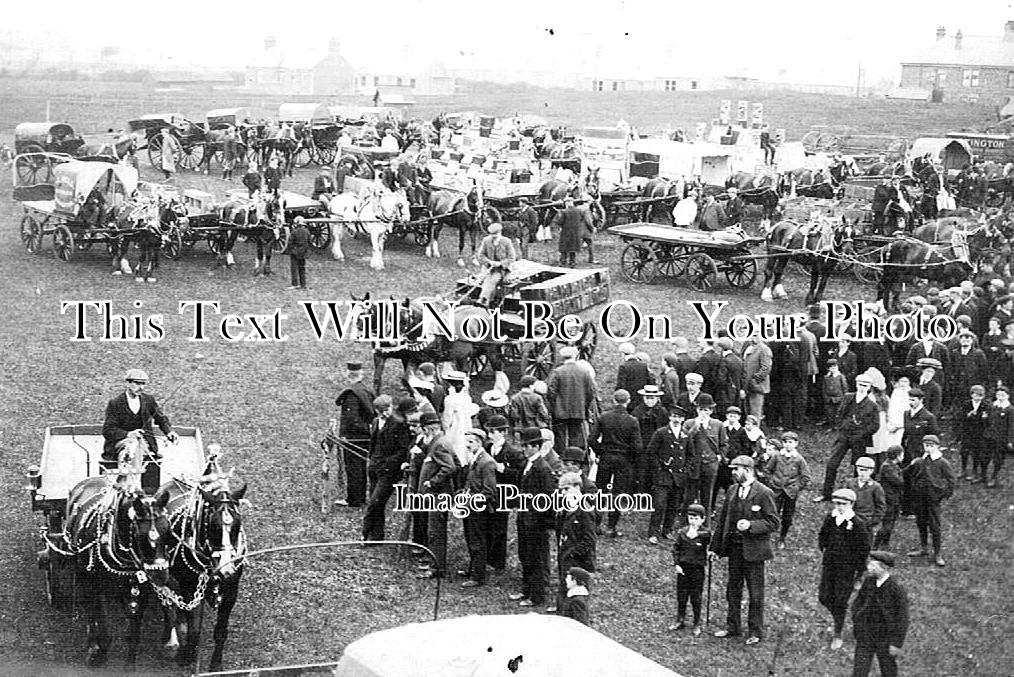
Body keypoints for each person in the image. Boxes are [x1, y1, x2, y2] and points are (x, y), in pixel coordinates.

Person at [710, 455, 780, 645]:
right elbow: (723, 520)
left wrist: (751, 524)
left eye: (736, 469)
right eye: (732, 469)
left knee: (755, 593)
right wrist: (714, 548)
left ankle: (755, 631)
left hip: (755, 551)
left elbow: (773, 522)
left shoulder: (764, 493)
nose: (733, 473)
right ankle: (733, 627)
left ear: (748, 470)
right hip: (734, 549)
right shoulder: (732, 490)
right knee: (733, 589)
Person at [818, 488, 872, 650]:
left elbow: (864, 549)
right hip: (829, 566)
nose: (839, 506)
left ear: (851, 504)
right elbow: (823, 534)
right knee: (824, 597)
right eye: (836, 503)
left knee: (840, 601)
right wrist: (824, 547)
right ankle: (837, 617)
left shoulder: (857, 523)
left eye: (843, 504)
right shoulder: (831, 518)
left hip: (846, 570)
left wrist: (859, 574)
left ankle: (838, 633)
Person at [510, 427, 556, 607]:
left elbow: (548, 497)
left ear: (536, 446)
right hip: (525, 519)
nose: (524, 449)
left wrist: (542, 521)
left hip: (536, 523)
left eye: (527, 446)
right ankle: (526, 589)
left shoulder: (542, 468)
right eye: (523, 445)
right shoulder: (529, 464)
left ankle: (537, 596)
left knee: (537, 558)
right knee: (526, 555)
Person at [587, 389, 642, 538]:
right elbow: (637, 447)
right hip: (623, 460)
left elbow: (591, 439)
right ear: (628, 401)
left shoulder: (604, 417)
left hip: (605, 458)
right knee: (618, 493)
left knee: (600, 491)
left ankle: (596, 524)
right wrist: (628, 456)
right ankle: (611, 527)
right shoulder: (632, 421)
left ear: (613, 401)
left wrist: (600, 451)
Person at [817, 373, 880, 503]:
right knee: (832, 464)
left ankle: (856, 497)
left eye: (865, 385)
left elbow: (875, 425)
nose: (862, 387)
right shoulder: (848, 397)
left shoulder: (872, 405)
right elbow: (839, 413)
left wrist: (861, 433)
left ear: (869, 387)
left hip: (859, 439)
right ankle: (826, 493)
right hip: (844, 436)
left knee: (859, 467)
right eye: (860, 384)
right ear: (856, 384)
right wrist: (842, 426)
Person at [102, 369, 179, 473]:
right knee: (135, 444)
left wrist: (169, 432)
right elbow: (108, 430)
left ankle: (134, 481)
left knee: (138, 444)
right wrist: (129, 434)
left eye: (143, 384)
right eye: (138, 383)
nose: (141, 387)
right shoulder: (115, 403)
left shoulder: (148, 400)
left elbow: (161, 419)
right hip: (121, 443)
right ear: (128, 383)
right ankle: (133, 483)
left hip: (145, 443)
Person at [362, 396, 414, 541]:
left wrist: (387, 464)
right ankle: (376, 536)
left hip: (389, 472)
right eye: (381, 412)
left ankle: (365, 533)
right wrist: (371, 461)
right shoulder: (375, 421)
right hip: (374, 468)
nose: (385, 414)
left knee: (375, 502)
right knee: (376, 503)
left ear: (391, 407)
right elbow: (373, 444)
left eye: (387, 410)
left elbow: (403, 450)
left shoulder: (399, 424)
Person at [850, 551, 909, 677]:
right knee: (859, 672)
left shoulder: (896, 588)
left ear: (883, 567)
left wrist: (896, 643)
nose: (868, 567)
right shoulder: (868, 582)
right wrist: (857, 619)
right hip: (865, 637)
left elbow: (903, 617)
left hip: (885, 639)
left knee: (888, 671)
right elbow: (857, 603)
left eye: (872, 565)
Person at [416, 411, 459, 579]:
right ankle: (433, 561)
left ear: (428, 429)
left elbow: (450, 467)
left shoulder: (439, 444)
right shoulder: (436, 442)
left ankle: (437, 568)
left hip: (439, 496)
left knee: (436, 532)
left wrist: (432, 481)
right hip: (435, 496)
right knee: (433, 530)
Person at [904, 434, 955, 567]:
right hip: (920, 496)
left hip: (933, 498)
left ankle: (937, 553)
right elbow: (909, 473)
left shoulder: (942, 462)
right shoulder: (920, 460)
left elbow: (951, 480)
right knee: (921, 521)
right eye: (926, 445)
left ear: (937, 447)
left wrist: (943, 494)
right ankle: (923, 547)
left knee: (934, 525)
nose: (928, 448)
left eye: (931, 446)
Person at [645, 405, 691, 543]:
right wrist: (659, 468)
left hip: (679, 477)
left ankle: (667, 530)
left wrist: (686, 469)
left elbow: (691, 455)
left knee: (674, 505)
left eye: (679, 417)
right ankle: (653, 532)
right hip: (663, 476)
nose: (676, 419)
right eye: (674, 416)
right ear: (670, 417)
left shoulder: (685, 435)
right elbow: (651, 453)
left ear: (683, 419)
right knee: (659, 505)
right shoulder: (661, 432)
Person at [334, 362, 377, 508]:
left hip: (355, 437)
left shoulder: (351, 394)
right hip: (366, 435)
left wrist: (345, 435)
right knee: (361, 466)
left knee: (353, 467)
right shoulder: (366, 390)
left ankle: (354, 499)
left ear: (348, 374)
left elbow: (351, 420)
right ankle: (360, 497)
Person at [555, 472, 597, 611]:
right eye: (561, 490)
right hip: (566, 557)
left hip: (578, 561)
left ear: (577, 487)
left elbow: (589, 539)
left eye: (566, 489)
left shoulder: (584, 509)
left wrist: (572, 554)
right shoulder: (568, 506)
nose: (563, 493)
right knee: (564, 593)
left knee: (576, 600)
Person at [461, 428, 497, 588]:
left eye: (471, 442)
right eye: (466, 441)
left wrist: (471, 501)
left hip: (478, 509)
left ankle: (478, 576)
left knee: (477, 541)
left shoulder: (486, 462)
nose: (467, 445)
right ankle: (473, 569)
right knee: (470, 538)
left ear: (479, 442)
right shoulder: (475, 458)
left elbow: (489, 491)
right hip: (470, 506)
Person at [763, 431, 810, 548]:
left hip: (790, 492)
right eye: (785, 442)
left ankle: (782, 538)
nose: (788, 445)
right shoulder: (777, 456)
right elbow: (767, 470)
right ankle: (767, 536)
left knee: (787, 516)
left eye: (790, 442)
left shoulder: (799, 459)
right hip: (776, 490)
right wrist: (771, 482)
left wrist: (797, 487)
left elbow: (806, 477)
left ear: (796, 444)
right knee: (773, 513)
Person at [546, 346, 598, 452]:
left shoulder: (558, 372)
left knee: (560, 436)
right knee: (576, 435)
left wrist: (554, 407)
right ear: (575, 356)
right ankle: (575, 458)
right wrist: (585, 407)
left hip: (560, 411)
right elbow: (591, 392)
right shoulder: (584, 372)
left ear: (562, 358)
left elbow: (551, 392)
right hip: (578, 410)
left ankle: (561, 457)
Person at [670, 502, 710, 635]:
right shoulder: (683, 532)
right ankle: (680, 619)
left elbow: (707, 537)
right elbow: (676, 548)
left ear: (703, 519)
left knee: (695, 596)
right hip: (683, 568)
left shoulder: (705, 533)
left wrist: (697, 533)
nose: (693, 521)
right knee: (681, 595)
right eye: (691, 518)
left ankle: (697, 622)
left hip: (697, 570)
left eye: (696, 519)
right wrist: (677, 564)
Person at [685, 393, 726, 519]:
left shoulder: (718, 424)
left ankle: (705, 520)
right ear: (697, 409)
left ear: (711, 411)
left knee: (707, 494)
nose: (703, 412)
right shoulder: (689, 423)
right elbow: (684, 442)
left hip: (710, 463)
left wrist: (720, 457)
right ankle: (687, 520)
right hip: (694, 464)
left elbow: (723, 444)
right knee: (690, 494)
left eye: (706, 410)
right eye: (701, 409)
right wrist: (694, 429)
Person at [475, 223, 516, 307]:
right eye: (492, 234)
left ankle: (484, 300)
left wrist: (500, 263)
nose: (493, 236)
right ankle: (487, 299)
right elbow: (480, 255)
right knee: (485, 278)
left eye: (495, 234)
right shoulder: (486, 240)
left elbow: (512, 258)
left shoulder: (507, 241)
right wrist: (489, 262)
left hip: (502, 269)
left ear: (500, 232)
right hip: (488, 268)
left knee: (493, 279)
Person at [845, 456, 886, 538]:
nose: (862, 473)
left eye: (865, 470)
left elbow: (881, 506)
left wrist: (873, 521)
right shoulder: (850, 483)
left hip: (866, 521)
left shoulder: (875, 487)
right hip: (851, 519)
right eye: (860, 470)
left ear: (871, 471)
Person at [873, 445, 905, 548]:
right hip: (889, 499)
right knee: (887, 523)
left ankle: (885, 543)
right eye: (902, 454)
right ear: (897, 455)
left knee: (891, 522)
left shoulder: (893, 466)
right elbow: (899, 481)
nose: (903, 457)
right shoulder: (887, 467)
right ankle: (875, 545)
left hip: (894, 498)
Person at [553, 196, 594, 267]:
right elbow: (581, 219)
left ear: (567, 203)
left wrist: (560, 226)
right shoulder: (579, 211)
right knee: (573, 248)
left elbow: (559, 221)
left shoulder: (564, 212)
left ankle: (563, 262)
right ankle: (572, 262)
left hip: (566, 232)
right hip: (576, 232)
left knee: (564, 248)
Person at [284, 217, 310, 290]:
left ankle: (295, 284)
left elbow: (290, 243)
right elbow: (309, 241)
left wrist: (289, 250)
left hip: (295, 252)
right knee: (302, 268)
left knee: (294, 268)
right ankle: (303, 285)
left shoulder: (294, 232)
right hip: (303, 253)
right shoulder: (307, 231)